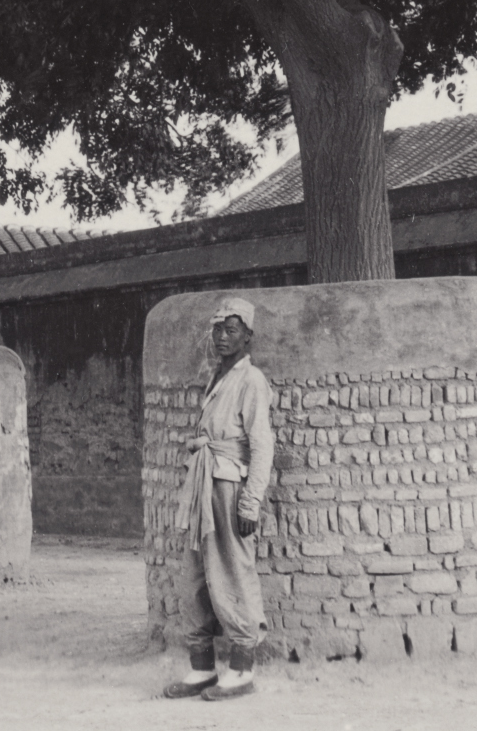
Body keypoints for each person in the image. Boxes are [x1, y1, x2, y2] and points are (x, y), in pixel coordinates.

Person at [164, 295, 275, 701]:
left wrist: (250, 502)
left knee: (232, 570)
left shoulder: (251, 381)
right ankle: (201, 669)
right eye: (217, 329)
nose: (222, 337)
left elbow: (262, 445)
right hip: (202, 484)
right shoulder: (217, 377)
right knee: (195, 573)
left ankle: (242, 670)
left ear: (248, 338)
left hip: (228, 488)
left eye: (231, 331)